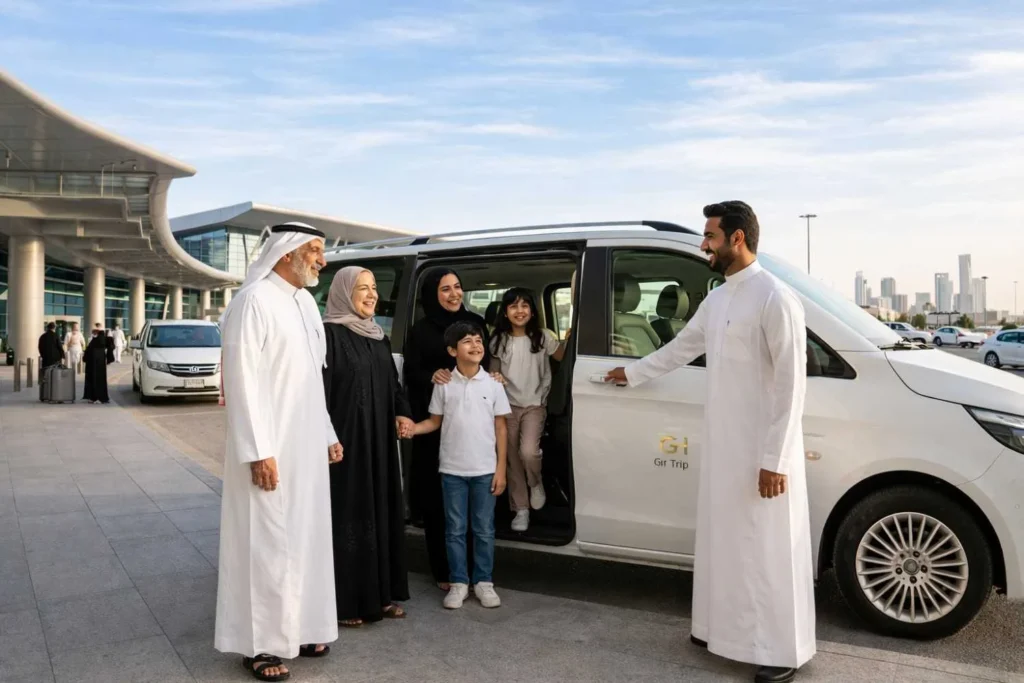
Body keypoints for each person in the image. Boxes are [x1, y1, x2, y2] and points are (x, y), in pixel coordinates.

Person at [605, 201, 815, 683]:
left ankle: (780, 649)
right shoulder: (718, 299)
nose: (704, 245)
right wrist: (631, 373)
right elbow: (681, 348)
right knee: (725, 543)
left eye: (710, 236)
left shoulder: (775, 297)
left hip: (763, 451)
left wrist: (776, 459)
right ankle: (719, 631)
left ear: (737, 238)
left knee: (767, 549)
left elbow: (792, 386)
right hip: (724, 446)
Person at [214, 222, 344, 683]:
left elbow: (311, 380)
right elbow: (242, 381)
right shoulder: (253, 301)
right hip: (270, 446)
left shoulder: (304, 303)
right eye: (314, 251)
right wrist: (257, 450)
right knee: (267, 542)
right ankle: (262, 644)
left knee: (306, 537)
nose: (322, 261)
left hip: (306, 445)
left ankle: (303, 629)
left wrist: (327, 432)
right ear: (286, 253)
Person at [321, 266, 414, 627]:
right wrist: (326, 436)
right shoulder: (329, 335)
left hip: (379, 443)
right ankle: (347, 604)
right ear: (344, 293)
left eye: (374, 287)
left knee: (382, 511)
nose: (372, 294)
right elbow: (318, 392)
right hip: (347, 443)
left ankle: (382, 596)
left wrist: (402, 412)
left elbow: (393, 384)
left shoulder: (379, 337)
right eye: (362, 288)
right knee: (352, 515)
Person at [408, 320, 510, 610]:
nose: (475, 345)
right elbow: (434, 422)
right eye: (467, 341)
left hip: (485, 471)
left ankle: (484, 582)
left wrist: (501, 469)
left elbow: (501, 428)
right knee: (454, 529)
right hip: (452, 470)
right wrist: (412, 428)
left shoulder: (493, 384)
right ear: (452, 351)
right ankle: (458, 583)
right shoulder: (443, 384)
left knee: (484, 529)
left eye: (478, 341)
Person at [403, 268, 492, 590]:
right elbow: (412, 372)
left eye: (457, 287)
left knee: (475, 503)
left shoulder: (475, 323)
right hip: (437, 425)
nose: (454, 294)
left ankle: (476, 571)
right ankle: (445, 570)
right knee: (439, 501)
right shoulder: (420, 330)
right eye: (445, 289)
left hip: (472, 423)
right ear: (432, 294)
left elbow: (485, 365)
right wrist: (433, 375)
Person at [488, 288, 568, 532]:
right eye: (513, 306)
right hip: (507, 405)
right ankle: (520, 508)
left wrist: (571, 338)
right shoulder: (498, 340)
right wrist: (495, 378)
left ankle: (535, 482)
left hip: (535, 404)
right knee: (511, 457)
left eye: (524, 306)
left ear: (532, 311)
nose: (519, 311)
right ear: (505, 312)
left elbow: (564, 358)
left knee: (528, 452)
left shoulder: (544, 337)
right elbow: (493, 372)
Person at [82, 327, 110, 404]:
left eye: (93, 333)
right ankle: (100, 397)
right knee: (100, 381)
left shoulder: (95, 341)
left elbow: (89, 351)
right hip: (100, 365)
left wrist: (85, 358)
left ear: (96, 333)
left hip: (93, 365)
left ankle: (95, 397)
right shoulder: (103, 340)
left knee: (94, 380)